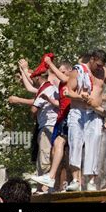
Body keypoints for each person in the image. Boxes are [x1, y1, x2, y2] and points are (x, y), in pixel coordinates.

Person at [65, 50, 106, 191]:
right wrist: (81, 97)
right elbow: (68, 91)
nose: (99, 68)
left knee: (94, 145)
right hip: (78, 112)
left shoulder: (103, 72)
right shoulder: (78, 70)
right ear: (92, 59)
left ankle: (91, 181)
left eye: (102, 65)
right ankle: (76, 180)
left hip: (95, 113)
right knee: (75, 143)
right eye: (98, 64)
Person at [31, 58, 73, 191]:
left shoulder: (70, 81)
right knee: (55, 149)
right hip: (60, 119)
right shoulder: (61, 86)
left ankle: (52, 178)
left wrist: (50, 64)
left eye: (62, 71)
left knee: (60, 146)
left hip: (67, 117)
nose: (59, 75)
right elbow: (60, 104)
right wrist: (49, 99)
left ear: (70, 72)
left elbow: (63, 78)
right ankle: (52, 179)